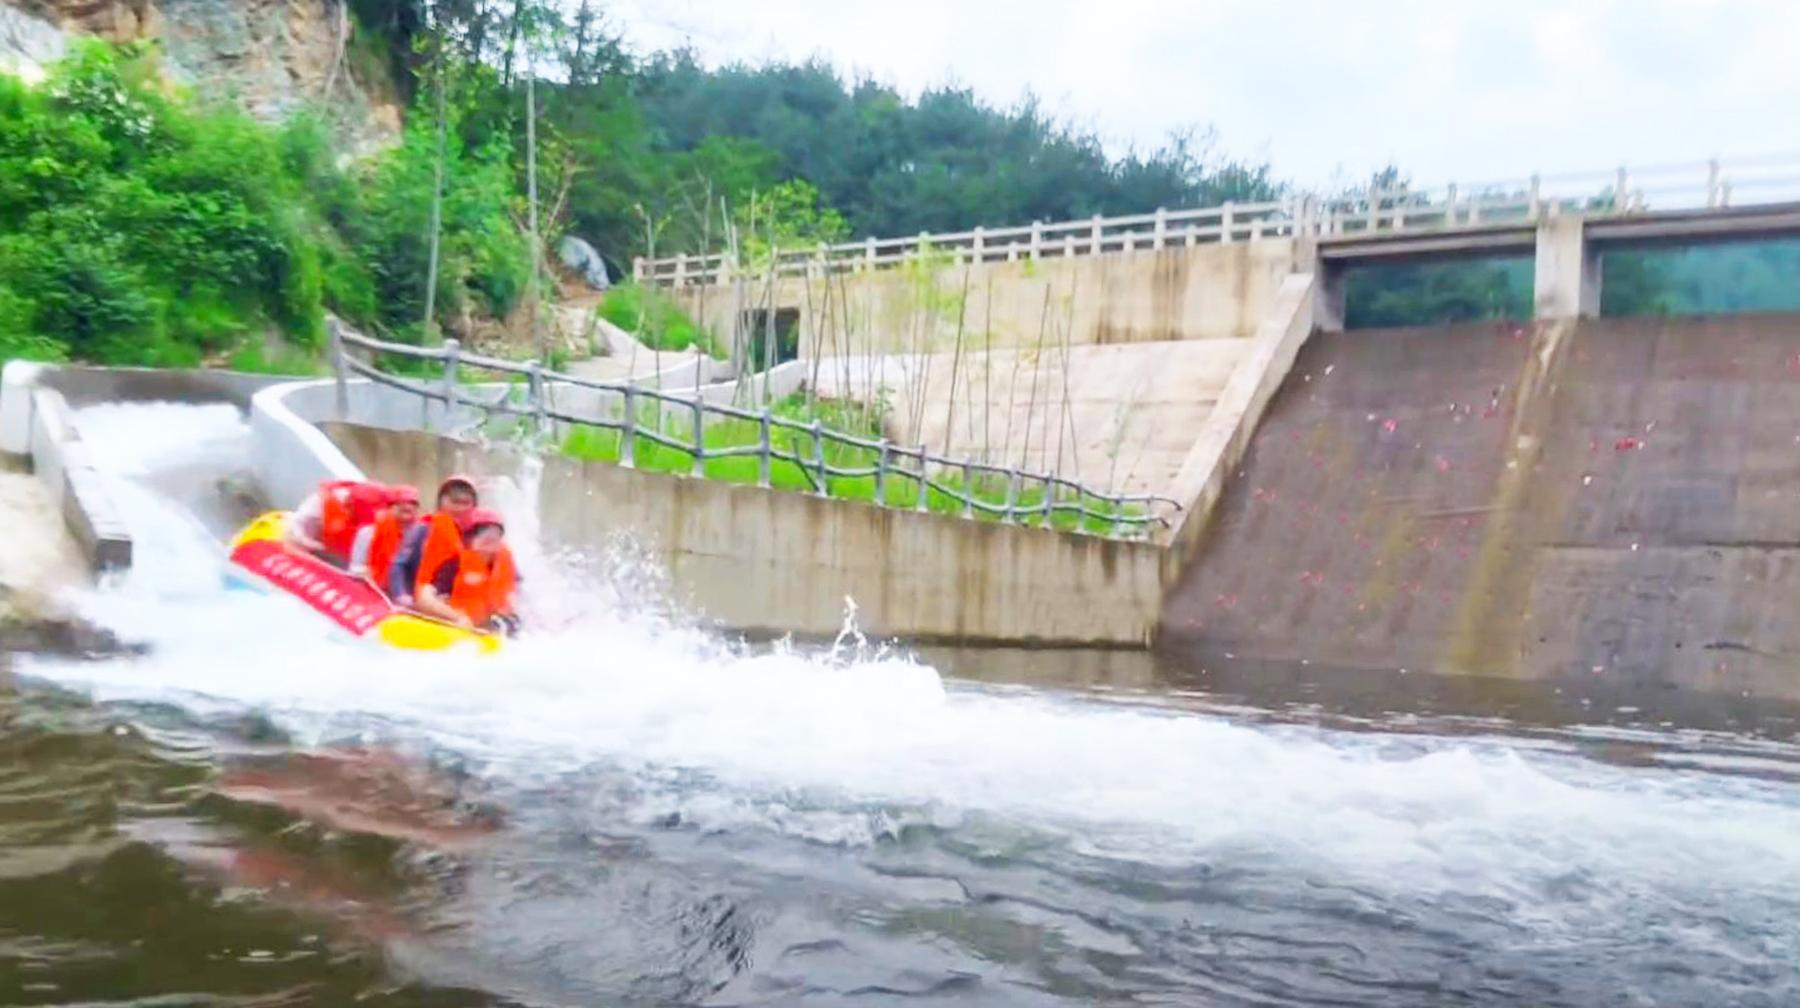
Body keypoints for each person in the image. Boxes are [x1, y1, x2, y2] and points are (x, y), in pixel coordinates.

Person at [414, 508, 520, 636]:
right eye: (481, 532)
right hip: (459, 627)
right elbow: (424, 598)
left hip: (492, 626)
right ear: (468, 539)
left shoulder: (505, 562)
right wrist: (456, 617)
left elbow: (515, 595)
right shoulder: (454, 564)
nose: (489, 536)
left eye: (496, 532)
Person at [386, 475, 479, 607]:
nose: (459, 509)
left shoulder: (477, 538)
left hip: (455, 606)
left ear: (474, 506)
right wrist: (401, 594)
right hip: (417, 601)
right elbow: (399, 564)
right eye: (454, 502)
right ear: (441, 503)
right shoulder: (422, 528)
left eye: (465, 503)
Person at [284, 479, 392, 568]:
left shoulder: (383, 517)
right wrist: (315, 547)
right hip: (311, 545)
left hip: (342, 559)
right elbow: (297, 531)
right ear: (349, 505)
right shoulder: (318, 506)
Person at [348, 484, 419, 588]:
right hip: (368, 587)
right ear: (389, 507)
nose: (408, 506)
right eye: (401, 504)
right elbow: (354, 568)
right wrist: (367, 573)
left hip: (400, 593)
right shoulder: (367, 533)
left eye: (413, 503)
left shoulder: (420, 537)